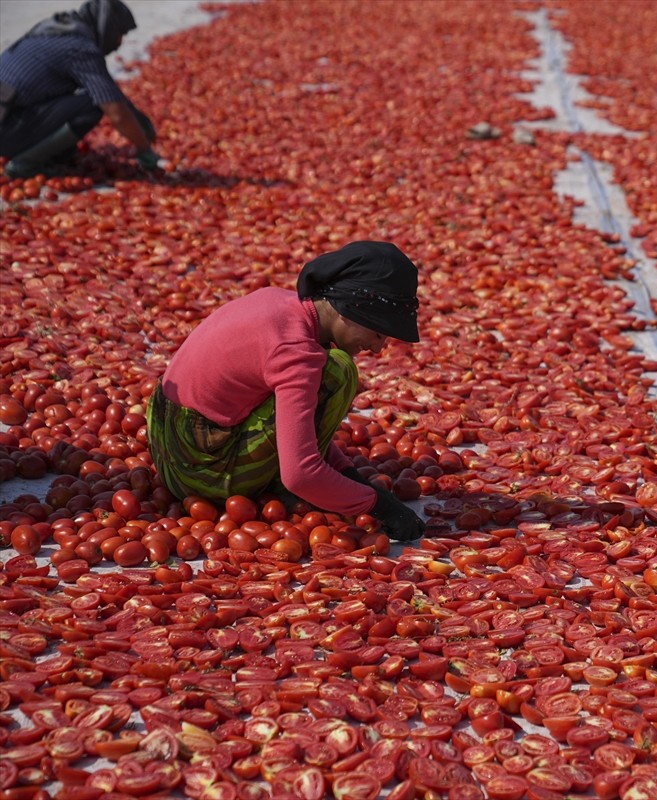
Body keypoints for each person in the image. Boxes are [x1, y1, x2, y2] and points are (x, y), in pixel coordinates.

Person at [145, 241, 427, 543]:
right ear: (348, 309)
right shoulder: (297, 352)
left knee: (321, 372)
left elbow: (296, 421)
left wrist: (347, 474)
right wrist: (380, 505)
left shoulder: (277, 301)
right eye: (377, 332)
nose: (378, 347)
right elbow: (300, 475)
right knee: (338, 370)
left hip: (167, 446)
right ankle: (265, 484)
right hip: (202, 477)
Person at [0, 0, 160, 179]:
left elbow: (109, 91)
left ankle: (48, 152)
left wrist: (136, 116)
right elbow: (115, 112)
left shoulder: (53, 30)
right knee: (93, 103)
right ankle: (25, 163)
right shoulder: (80, 48)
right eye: (120, 33)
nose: (119, 42)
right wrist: (144, 148)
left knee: (82, 95)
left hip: (7, 115)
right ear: (108, 27)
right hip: (6, 129)